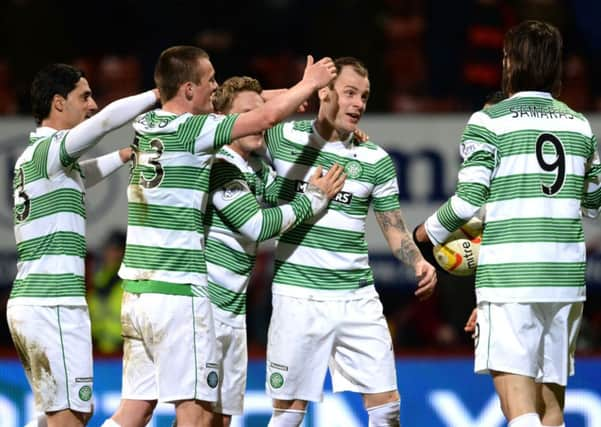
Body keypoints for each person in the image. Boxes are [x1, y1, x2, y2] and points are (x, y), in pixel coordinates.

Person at [102, 46, 337, 427]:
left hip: (140, 290)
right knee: (196, 417)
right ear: (189, 89)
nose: (216, 85)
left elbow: (247, 106)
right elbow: (263, 114)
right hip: (180, 292)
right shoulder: (202, 139)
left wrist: (302, 93)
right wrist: (309, 84)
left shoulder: (147, 125)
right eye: (209, 79)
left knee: (136, 412)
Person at [415, 20, 601, 427]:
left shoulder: (490, 121)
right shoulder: (579, 124)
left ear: (510, 62)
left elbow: (469, 201)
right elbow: (594, 201)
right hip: (566, 279)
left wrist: (425, 233)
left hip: (512, 277)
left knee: (518, 411)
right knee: (550, 408)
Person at [262, 57, 437, 427]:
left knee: (387, 407)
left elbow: (394, 229)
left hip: (357, 297)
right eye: (350, 93)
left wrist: (418, 261)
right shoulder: (283, 137)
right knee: (289, 413)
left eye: (365, 96)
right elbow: (231, 107)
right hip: (298, 295)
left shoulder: (375, 159)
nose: (359, 104)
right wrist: (302, 88)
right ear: (325, 92)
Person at [6, 63, 159, 427]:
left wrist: (123, 156)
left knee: (64, 413)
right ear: (59, 103)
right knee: (71, 417)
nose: (91, 105)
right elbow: (105, 121)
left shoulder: (38, 158)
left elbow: (81, 174)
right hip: (53, 303)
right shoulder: (53, 148)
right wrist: (158, 95)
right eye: (84, 96)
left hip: (34, 303)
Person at [204, 75, 345, 426]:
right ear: (225, 122)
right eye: (248, 114)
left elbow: (286, 192)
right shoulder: (217, 166)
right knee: (196, 419)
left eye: (262, 112)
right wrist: (313, 198)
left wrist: (339, 138)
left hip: (232, 312)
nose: (260, 121)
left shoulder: (254, 168)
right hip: (204, 310)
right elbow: (257, 226)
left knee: (220, 420)